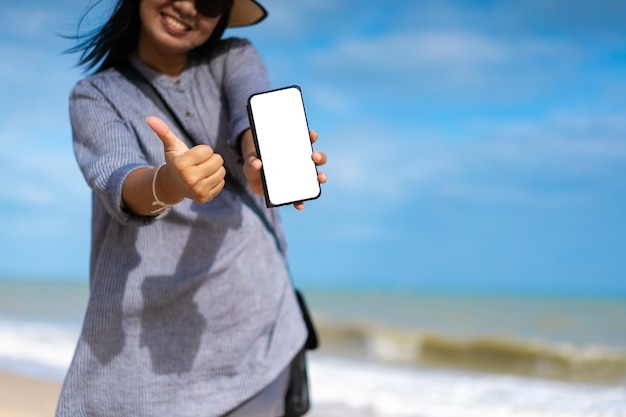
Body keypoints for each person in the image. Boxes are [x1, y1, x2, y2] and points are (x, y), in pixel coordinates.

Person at [56, 0, 327, 416]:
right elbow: (118, 180)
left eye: (210, 1)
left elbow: (248, 117)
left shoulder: (233, 56)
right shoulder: (95, 95)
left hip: (260, 339)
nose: (186, 6)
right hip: (145, 353)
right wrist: (167, 183)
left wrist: (261, 160)